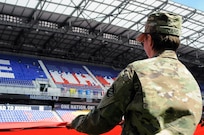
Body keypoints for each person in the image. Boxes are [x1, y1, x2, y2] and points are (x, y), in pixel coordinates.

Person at [66, 12, 203, 135]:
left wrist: (76, 122)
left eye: (143, 41)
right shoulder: (191, 80)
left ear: (149, 39)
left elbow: (100, 121)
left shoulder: (137, 70)